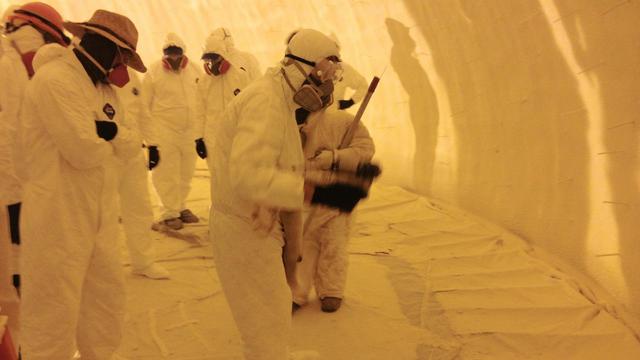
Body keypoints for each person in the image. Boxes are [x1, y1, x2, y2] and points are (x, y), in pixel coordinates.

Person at [18, 10, 145, 359]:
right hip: (57, 214)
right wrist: (112, 139)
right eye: (121, 56)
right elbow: (83, 150)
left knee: (105, 303)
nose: (123, 65)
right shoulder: (54, 81)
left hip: (101, 212)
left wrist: (111, 133)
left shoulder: (105, 90)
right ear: (104, 48)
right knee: (52, 311)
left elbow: (133, 144)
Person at [209, 28, 340, 359]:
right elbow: (248, 175)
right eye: (324, 74)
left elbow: (277, 164)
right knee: (263, 322)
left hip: (257, 222)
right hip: (243, 227)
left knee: (272, 308)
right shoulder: (265, 102)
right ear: (301, 67)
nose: (327, 85)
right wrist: (311, 190)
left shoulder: (280, 102)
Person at [0, 1, 69, 297]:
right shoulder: (6, 65)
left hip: (29, 175)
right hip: (11, 177)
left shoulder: (27, 68)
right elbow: (7, 129)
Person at [292, 109, 375, 312]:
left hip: (336, 194)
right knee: (302, 244)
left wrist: (335, 158)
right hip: (304, 194)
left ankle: (331, 290)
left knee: (334, 244)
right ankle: (296, 291)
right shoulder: (283, 121)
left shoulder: (342, 121)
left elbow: (365, 150)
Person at [141, 32, 201, 230]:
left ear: (183, 52)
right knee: (166, 173)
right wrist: (150, 140)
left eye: (176, 52)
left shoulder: (194, 70)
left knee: (186, 171)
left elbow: (203, 99)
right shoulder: (153, 72)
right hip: (164, 130)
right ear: (164, 53)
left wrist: (201, 132)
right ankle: (168, 212)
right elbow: (143, 106)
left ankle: (180, 206)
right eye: (169, 52)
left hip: (190, 131)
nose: (173, 57)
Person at [115, 67, 170, 280]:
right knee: (103, 213)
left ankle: (143, 261)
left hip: (133, 154)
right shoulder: (87, 72)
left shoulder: (130, 74)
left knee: (139, 208)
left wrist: (152, 143)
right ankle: (102, 267)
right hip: (104, 154)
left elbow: (142, 112)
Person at [194, 27, 260, 169]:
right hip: (213, 142)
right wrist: (198, 137)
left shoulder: (242, 70)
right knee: (218, 183)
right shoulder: (205, 81)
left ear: (223, 55)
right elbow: (199, 110)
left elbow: (257, 102)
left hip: (239, 139)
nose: (211, 63)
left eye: (214, 58)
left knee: (240, 181)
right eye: (208, 59)